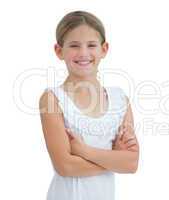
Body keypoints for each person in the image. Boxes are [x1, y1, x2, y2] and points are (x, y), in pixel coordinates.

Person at [39, 10, 139, 200]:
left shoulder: (120, 100)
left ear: (104, 49)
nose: (83, 53)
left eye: (91, 45)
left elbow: (131, 163)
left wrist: (84, 151)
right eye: (74, 45)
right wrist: (114, 160)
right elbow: (66, 166)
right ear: (59, 51)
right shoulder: (52, 99)